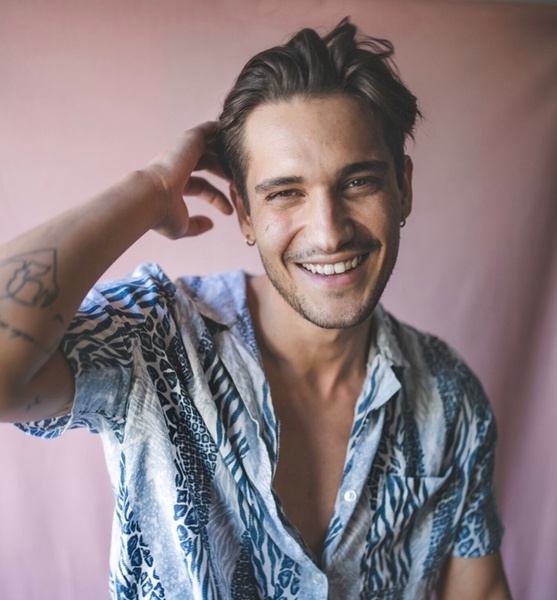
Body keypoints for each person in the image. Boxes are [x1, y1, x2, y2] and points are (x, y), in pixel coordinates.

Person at [0, 18, 512, 600]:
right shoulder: (153, 337)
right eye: (286, 193)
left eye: (358, 182)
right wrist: (149, 189)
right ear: (244, 214)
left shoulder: (450, 395)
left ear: (404, 188)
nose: (329, 232)